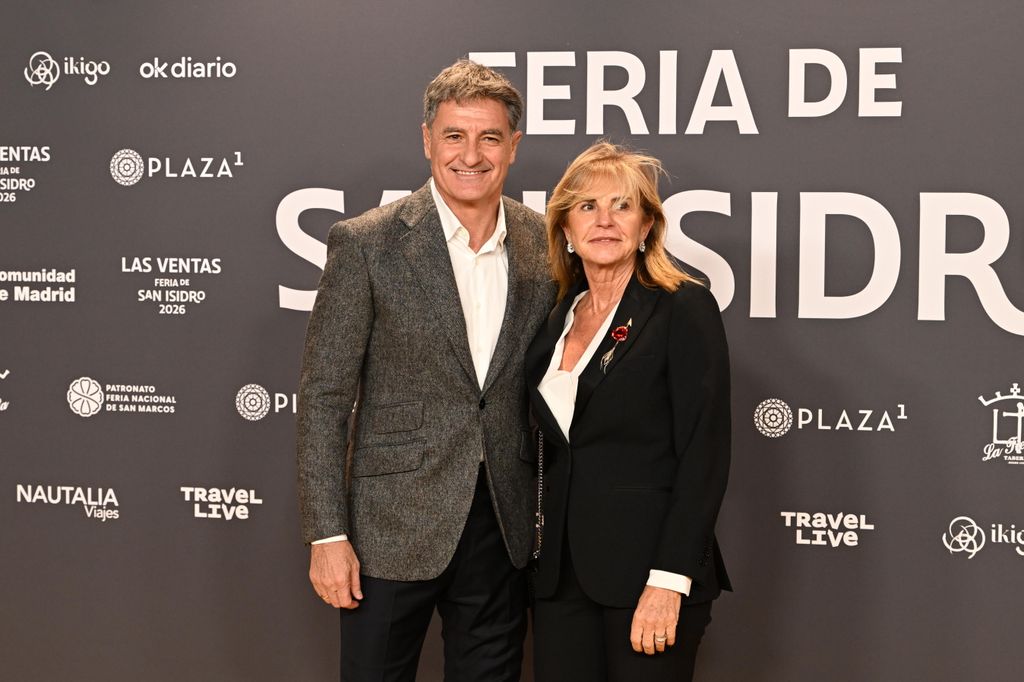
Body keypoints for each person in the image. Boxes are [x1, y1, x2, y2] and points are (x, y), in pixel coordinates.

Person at [296, 59, 554, 681]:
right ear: (427, 140)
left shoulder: (546, 242)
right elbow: (325, 396)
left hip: (503, 524)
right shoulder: (367, 242)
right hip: (388, 528)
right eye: (454, 136)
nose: (471, 154)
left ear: (513, 146)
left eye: (490, 137)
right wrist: (327, 535)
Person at [525, 142, 732, 681]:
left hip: (648, 578)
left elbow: (703, 455)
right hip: (559, 581)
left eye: (623, 206)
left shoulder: (682, 306)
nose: (605, 221)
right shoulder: (555, 317)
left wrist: (669, 579)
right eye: (587, 207)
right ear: (565, 229)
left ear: (646, 228)